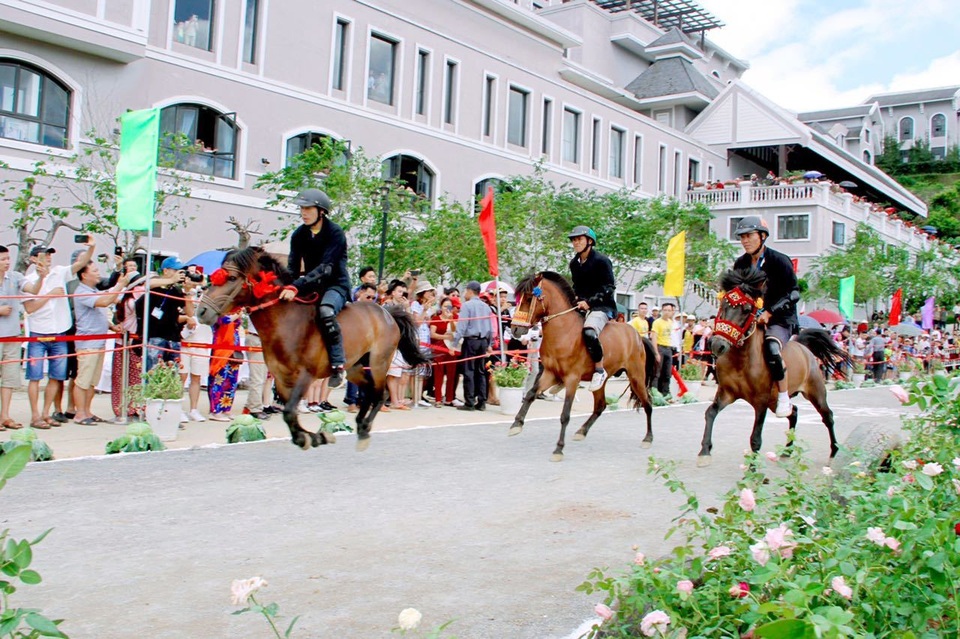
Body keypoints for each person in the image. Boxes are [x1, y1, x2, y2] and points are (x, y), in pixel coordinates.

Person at [280, 188, 351, 389]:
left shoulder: (335, 233)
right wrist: (286, 286)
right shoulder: (299, 235)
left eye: (308, 208)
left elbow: (326, 268)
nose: (304, 213)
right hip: (310, 284)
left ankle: (337, 365)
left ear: (321, 211)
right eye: (302, 209)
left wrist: (296, 286)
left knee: (326, 311)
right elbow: (293, 268)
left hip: (335, 284)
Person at [733, 215, 800, 417]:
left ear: (762, 236)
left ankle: (784, 397)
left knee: (771, 348)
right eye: (742, 237)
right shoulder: (741, 263)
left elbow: (794, 293)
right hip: (752, 317)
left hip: (780, 318)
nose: (745, 241)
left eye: (749, 236)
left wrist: (770, 312)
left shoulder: (780, 261)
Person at [20, 242, 93, 429]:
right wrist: (50, 295)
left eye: (49, 255)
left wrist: (91, 247)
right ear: (33, 259)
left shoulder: (59, 272)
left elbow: (80, 264)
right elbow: (30, 308)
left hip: (60, 331)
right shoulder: (27, 280)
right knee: (34, 376)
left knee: (56, 376)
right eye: (43, 255)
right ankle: (35, 415)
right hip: (38, 333)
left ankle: (46, 413)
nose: (48, 258)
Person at [72, 260, 131, 424]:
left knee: (92, 381)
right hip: (87, 343)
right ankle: (79, 414)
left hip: (99, 341)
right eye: (94, 270)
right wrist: (121, 284)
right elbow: (105, 302)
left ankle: (87, 411)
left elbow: (99, 312)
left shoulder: (94, 291)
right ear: (84, 275)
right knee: (83, 380)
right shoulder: (82, 292)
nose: (98, 273)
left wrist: (111, 326)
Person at [567, 225, 617, 391]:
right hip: (582, 305)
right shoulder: (574, 263)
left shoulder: (602, 261)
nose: (576, 242)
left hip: (602, 306)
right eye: (574, 240)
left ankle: (599, 370)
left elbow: (609, 287)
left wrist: (589, 303)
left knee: (589, 332)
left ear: (589, 241)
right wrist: (574, 298)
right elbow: (577, 287)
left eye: (579, 239)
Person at [136, 256, 194, 373]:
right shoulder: (155, 285)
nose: (180, 274)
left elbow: (190, 313)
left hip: (173, 338)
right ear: (166, 270)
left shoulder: (176, 290)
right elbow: (147, 284)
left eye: (181, 271)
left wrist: (187, 291)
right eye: (176, 270)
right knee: (153, 374)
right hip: (155, 336)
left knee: (172, 376)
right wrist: (172, 280)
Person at [452, 281, 493, 411]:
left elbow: (462, 326)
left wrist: (454, 344)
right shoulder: (486, 307)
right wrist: (489, 344)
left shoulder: (467, 306)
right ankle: (481, 402)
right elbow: (490, 328)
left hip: (471, 341)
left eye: (466, 291)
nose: (465, 294)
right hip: (483, 341)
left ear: (470, 291)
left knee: (468, 371)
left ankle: (469, 402)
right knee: (480, 371)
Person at [0, 245, 24, 430]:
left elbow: (32, 288)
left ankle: (5, 415)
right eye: (3, 259)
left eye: (8, 258)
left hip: (12, 336)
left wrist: (42, 276)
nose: (7, 262)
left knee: (9, 378)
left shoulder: (15, 277)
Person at [651, 302, 676, 398]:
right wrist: (656, 352)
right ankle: (654, 392)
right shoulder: (657, 322)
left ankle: (665, 392)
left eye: (669, 310)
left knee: (667, 373)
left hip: (668, 348)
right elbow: (654, 337)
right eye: (665, 310)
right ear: (661, 311)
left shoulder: (671, 322)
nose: (667, 312)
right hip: (660, 347)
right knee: (657, 372)